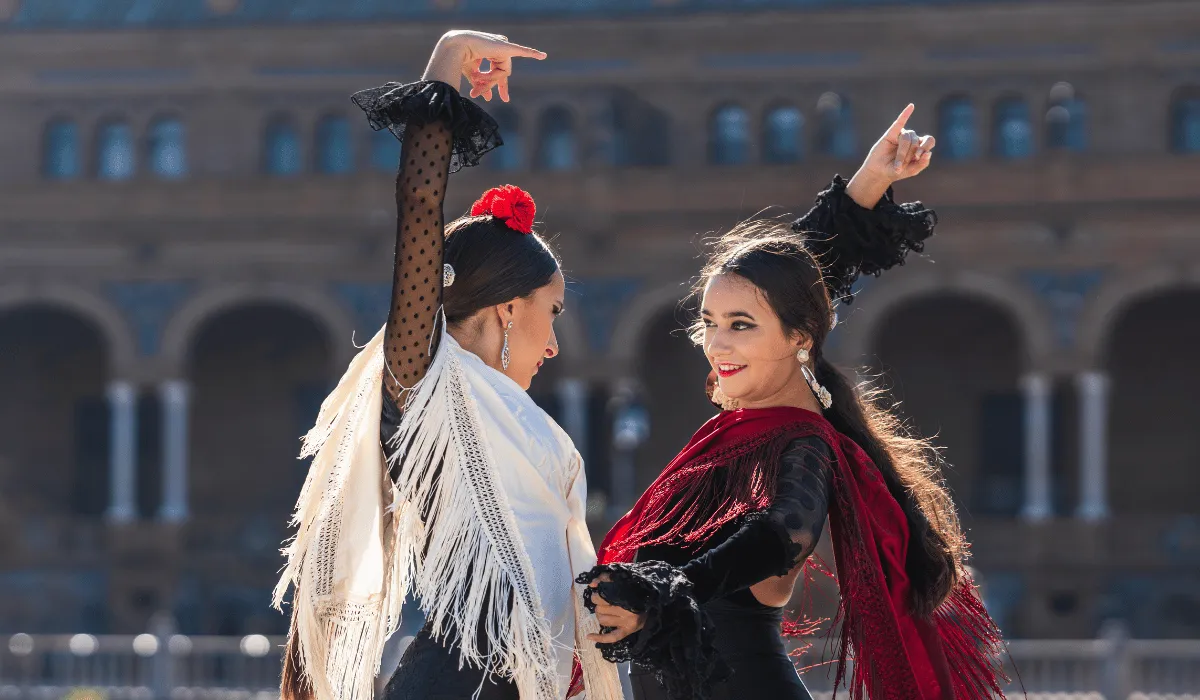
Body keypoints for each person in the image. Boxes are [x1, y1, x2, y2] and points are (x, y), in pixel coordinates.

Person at [576, 110, 1008, 700]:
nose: (717, 344)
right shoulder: (736, 435)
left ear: (800, 338)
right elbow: (791, 273)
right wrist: (867, 185)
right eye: (709, 322)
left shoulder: (801, 441)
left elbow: (784, 533)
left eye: (740, 325)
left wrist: (669, 589)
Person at [271, 31, 623, 700]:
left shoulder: (508, 411)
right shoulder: (425, 384)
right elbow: (419, 205)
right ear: (509, 309)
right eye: (552, 312)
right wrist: (448, 63)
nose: (554, 344)